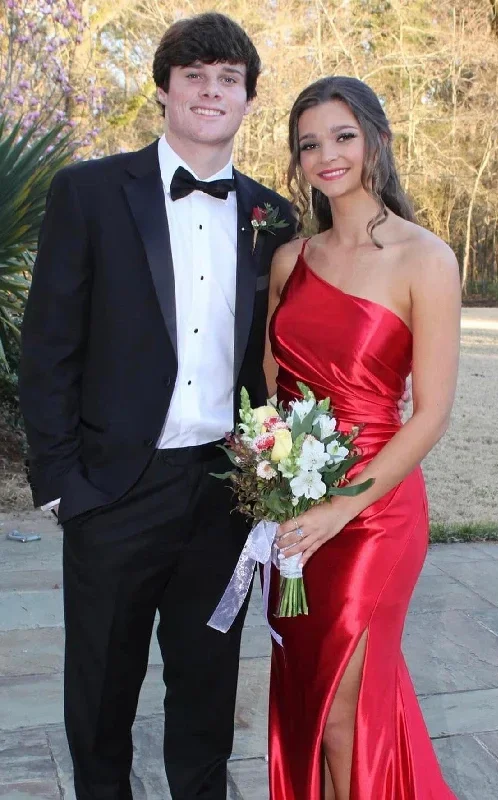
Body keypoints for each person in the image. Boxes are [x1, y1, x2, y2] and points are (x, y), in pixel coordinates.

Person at [18, 13, 296, 800]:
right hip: (113, 488)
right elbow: (49, 347)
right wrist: (64, 482)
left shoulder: (271, 216)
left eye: (228, 80)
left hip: (223, 492)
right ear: (165, 90)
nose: (212, 92)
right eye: (196, 77)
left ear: (247, 99)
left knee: (206, 687)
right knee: (101, 688)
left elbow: (275, 354)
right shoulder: (89, 192)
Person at [264, 76, 461, 799]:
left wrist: (339, 508)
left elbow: (431, 413)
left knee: (343, 711)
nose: (327, 155)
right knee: (310, 691)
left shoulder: (425, 259)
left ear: (376, 138)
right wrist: (269, 481)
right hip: (292, 512)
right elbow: (273, 392)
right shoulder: (290, 261)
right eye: (309, 143)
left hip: (373, 515)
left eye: (342, 135)